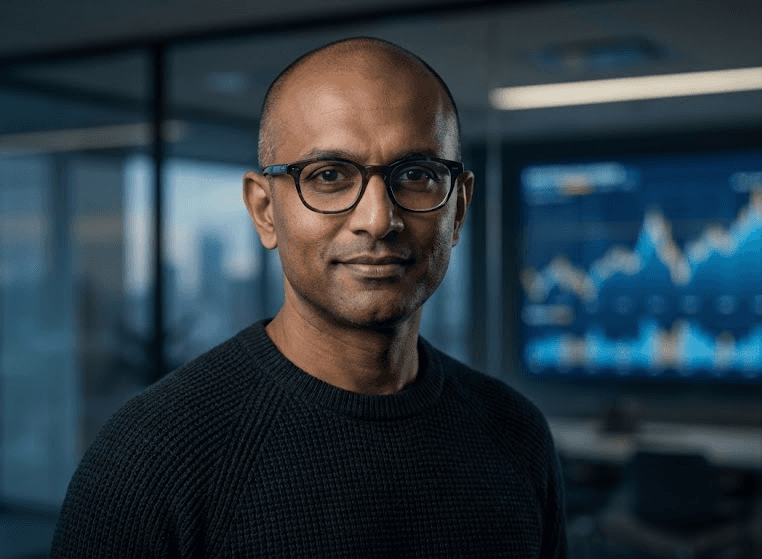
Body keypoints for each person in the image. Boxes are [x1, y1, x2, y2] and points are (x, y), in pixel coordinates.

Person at [51, 36, 567, 558]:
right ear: (265, 210)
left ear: (457, 209)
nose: (377, 220)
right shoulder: (150, 458)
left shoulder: (514, 432)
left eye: (416, 175)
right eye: (328, 176)